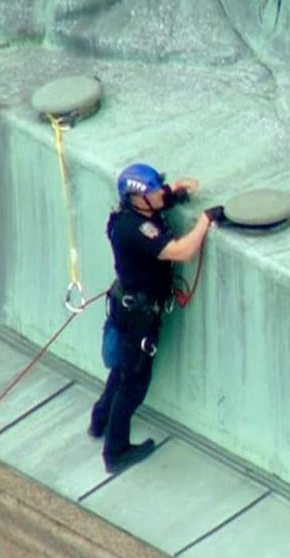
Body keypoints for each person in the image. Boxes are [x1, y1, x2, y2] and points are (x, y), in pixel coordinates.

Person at [89, 163, 226, 474]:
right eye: (151, 191)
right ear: (137, 198)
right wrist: (204, 221)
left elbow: (163, 196)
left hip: (128, 307)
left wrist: (175, 192)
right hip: (139, 315)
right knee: (134, 383)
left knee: (121, 370)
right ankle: (116, 451)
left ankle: (99, 421)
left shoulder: (132, 213)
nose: (158, 194)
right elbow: (181, 251)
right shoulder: (134, 230)